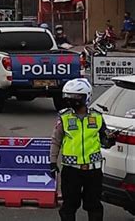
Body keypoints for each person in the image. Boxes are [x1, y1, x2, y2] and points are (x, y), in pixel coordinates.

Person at [49, 78, 117, 221]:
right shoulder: (64, 117)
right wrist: (52, 161)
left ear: (86, 97)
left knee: (94, 206)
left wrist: (110, 139)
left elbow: (105, 141)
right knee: (69, 206)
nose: (71, 100)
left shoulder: (97, 117)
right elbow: (56, 141)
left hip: (93, 171)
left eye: (75, 97)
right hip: (71, 170)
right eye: (68, 97)